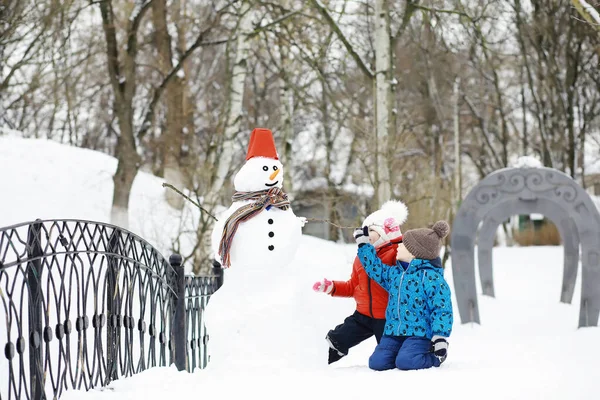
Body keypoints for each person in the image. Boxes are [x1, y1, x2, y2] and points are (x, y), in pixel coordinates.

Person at [312, 200, 408, 364]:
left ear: (384, 233)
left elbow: (402, 268)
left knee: (390, 357)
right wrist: (332, 287)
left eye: (371, 230)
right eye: (365, 230)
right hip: (363, 316)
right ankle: (316, 361)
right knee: (337, 340)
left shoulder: (394, 253)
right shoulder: (360, 258)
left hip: (387, 319)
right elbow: (352, 287)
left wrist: (395, 236)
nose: (366, 233)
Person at [353, 220, 453, 371]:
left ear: (415, 253)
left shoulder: (431, 278)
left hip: (419, 334)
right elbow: (376, 269)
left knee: (406, 362)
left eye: (403, 244)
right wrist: (363, 245)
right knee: (377, 363)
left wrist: (439, 336)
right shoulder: (396, 274)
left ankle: (434, 357)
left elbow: (442, 308)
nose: (398, 246)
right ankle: (402, 353)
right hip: (394, 332)